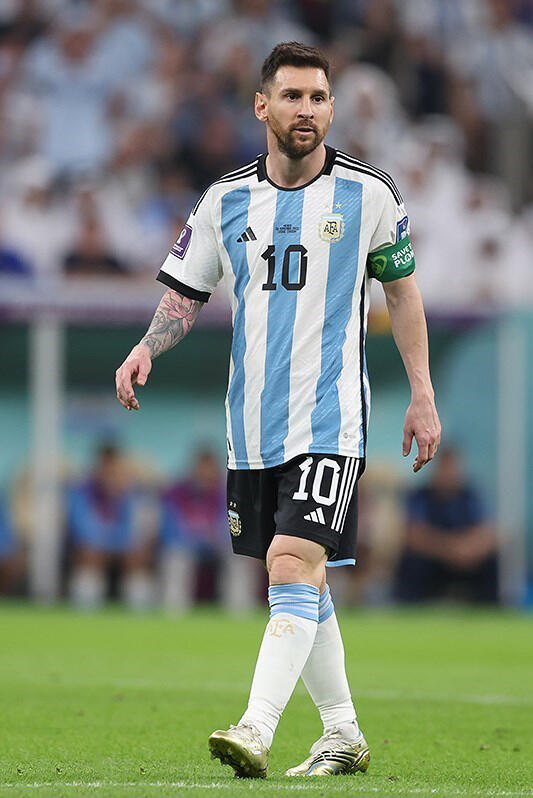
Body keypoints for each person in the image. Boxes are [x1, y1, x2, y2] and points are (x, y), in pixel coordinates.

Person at [115, 41, 441, 779]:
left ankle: (255, 727)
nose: (307, 110)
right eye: (291, 96)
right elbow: (185, 294)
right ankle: (342, 734)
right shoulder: (224, 199)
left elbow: (402, 293)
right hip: (252, 426)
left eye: (318, 97)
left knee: (290, 563)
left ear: (332, 107)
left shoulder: (369, 193)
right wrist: (145, 347)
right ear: (261, 106)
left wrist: (421, 394)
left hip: (332, 421)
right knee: (301, 577)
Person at [394, 447, 498, 604]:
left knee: (492, 561)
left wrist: (466, 549)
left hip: (466, 559)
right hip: (433, 558)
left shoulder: (469, 495)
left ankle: (489, 609)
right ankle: (409, 607)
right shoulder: (420, 495)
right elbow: (413, 534)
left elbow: (487, 531)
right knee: (412, 562)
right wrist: (449, 549)